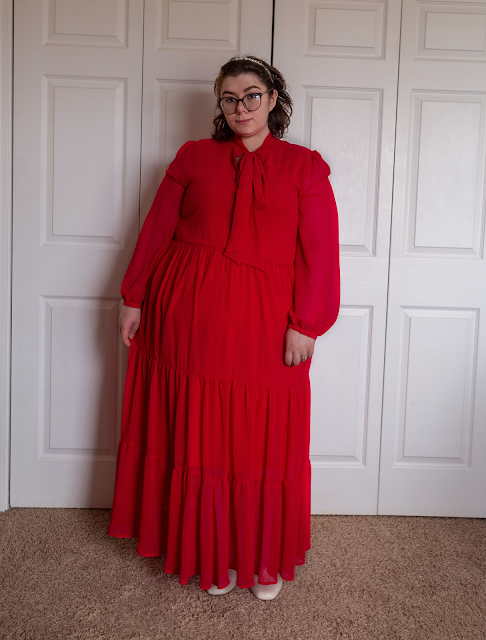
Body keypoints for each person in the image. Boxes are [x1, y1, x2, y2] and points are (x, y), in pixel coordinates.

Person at [107, 54, 340, 601]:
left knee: (260, 439)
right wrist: (133, 295)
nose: (242, 107)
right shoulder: (192, 158)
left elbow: (320, 256)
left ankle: (261, 560)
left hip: (265, 325)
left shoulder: (305, 167)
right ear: (221, 105)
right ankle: (210, 557)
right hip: (187, 322)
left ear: (273, 99)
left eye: (252, 95)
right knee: (198, 435)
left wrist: (307, 324)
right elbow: (158, 228)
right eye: (231, 98)